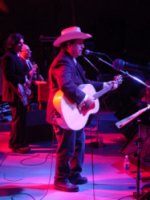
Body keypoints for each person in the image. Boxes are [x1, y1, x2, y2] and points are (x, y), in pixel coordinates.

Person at [46, 26, 120, 192]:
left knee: (79, 142)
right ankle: (61, 179)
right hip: (62, 112)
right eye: (79, 44)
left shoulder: (73, 61)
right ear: (68, 45)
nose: (83, 47)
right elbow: (66, 85)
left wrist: (105, 85)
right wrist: (84, 99)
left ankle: (74, 174)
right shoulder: (63, 61)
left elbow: (85, 82)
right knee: (67, 146)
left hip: (73, 111)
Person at [1, 33, 36, 153]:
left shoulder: (15, 56)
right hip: (13, 93)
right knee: (17, 120)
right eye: (20, 43)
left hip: (19, 92)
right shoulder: (8, 57)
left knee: (21, 119)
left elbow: (21, 72)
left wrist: (28, 75)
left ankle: (20, 142)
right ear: (13, 44)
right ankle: (15, 144)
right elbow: (9, 75)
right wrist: (24, 79)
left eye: (22, 43)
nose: (22, 45)